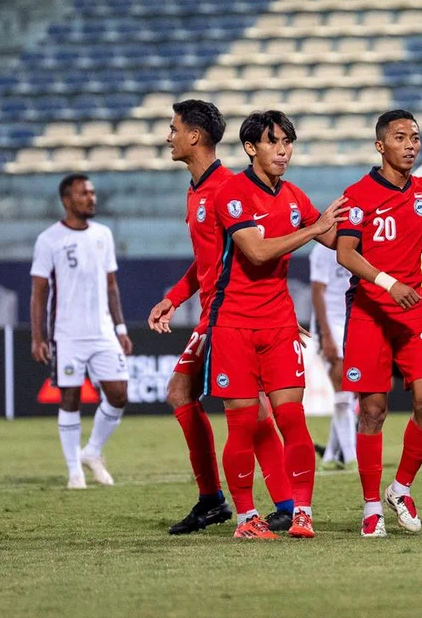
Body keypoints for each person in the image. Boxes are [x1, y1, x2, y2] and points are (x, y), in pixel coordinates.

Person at [147, 100, 296, 535]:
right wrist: (174, 297)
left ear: (194, 136)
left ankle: (226, 499)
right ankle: (245, 499)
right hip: (214, 312)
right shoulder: (198, 188)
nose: (168, 136)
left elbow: (255, 253)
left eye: (173, 128)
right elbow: (208, 260)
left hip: (232, 313)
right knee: (216, 400)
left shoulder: (228, 188)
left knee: (235, 404)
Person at [205, 110, 346, 539]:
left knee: (292, 419)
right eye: (274, 142)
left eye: (288, 142)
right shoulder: (233, 194)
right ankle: (247, 518)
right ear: (251, 148)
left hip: (279, 324)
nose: (284, 150)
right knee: (243, 424)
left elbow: (337, 238)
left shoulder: (294, 196)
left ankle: (302, 512)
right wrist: (313, 229)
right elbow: (258, 252)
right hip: (233, 324)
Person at [336, 109, 422, 538]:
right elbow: (346, 253)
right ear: (380, 145)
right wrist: (388, 283)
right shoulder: (357, 195)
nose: (410, 144)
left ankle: (400, 487)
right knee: (373, 410)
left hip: (412, 311)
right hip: (371, 310)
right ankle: (371, 506)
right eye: (401, 137)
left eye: (415, 137)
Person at [30, 174, 133, 489]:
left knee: (118, 394)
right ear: (66, 200)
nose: (91, 198)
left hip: (103, 331)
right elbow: (39, 292)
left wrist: (120, 327)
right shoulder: (49, 239)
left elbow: (111, 285)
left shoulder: (103, 234)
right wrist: (38, 337)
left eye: (92, 192)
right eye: (83, 193)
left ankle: (92, 451)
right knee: (70, 397)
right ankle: (75, 471)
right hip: (67, 335)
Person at [309, 243, 357, 469]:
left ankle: (330, 455)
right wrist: (326, 334)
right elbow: (317, 291)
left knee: (350, 393)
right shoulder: (323, 250)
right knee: (343, 387)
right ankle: (351, 458)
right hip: (331, 323)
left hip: (354, 321)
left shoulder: (359, 245)